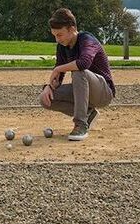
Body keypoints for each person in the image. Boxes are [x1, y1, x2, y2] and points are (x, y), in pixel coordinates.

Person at [38, 8, 115, 140]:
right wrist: (49, 87)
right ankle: (88, 114)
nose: (57, 39)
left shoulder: (87, 40)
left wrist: (58, 69)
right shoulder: (62, 46)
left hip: (103, 93)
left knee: (79, 73)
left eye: (60, 35)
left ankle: (81, 125)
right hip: (83, 91)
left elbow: (83, 63)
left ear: (72, 29)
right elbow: (59, 76)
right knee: (45, 99)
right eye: (55, 35)